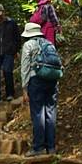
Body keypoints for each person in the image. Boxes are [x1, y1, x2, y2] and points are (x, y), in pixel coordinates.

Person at [20, 22, 59, 156]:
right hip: (52, 80)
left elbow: (25, 67)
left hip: (36, 80)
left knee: (37, 113)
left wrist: (24, 89)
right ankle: (51, 147)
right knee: (50, 112)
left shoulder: (28, 45)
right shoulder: (49, 44)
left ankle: (38, 148)